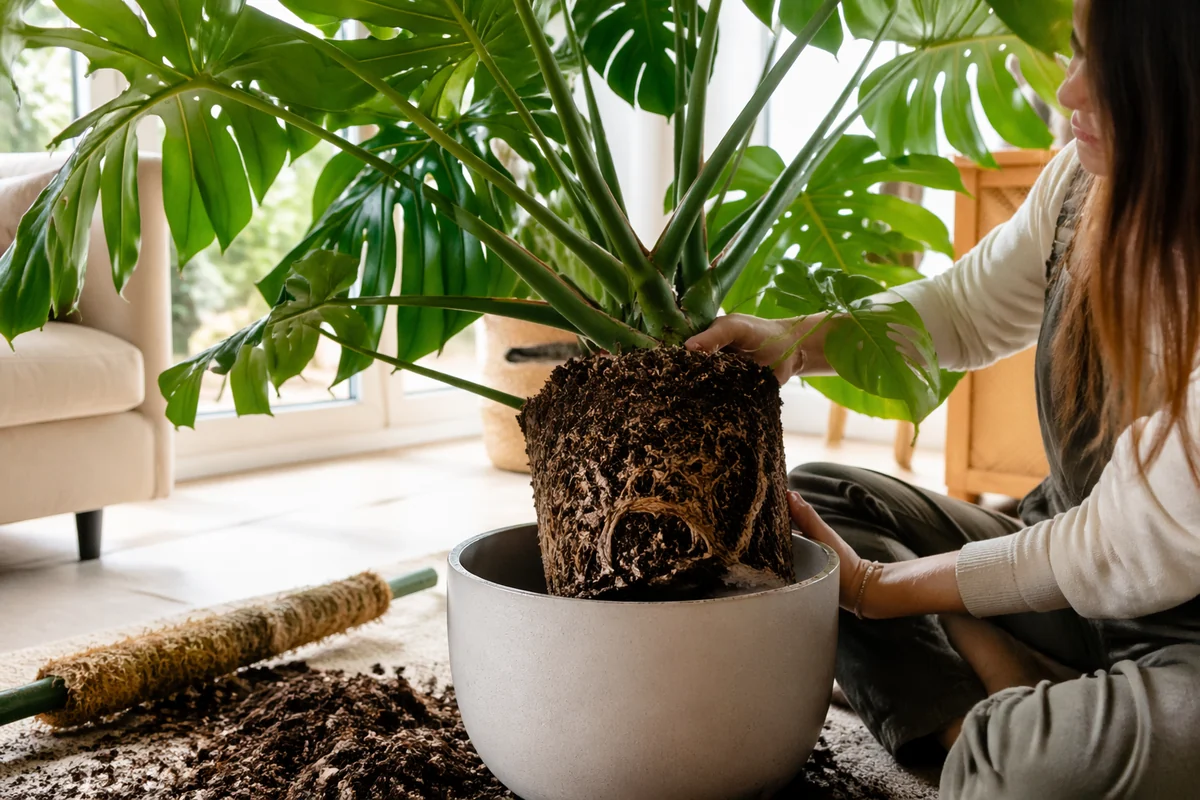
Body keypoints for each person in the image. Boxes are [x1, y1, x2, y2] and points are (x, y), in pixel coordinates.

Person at [687, 1, 1200, 797]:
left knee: (1037, 771)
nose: (1069, 92)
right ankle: (986, 717)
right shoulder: (1079, 187)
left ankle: (991, 715)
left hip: (1184, 638)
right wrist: (796, 340)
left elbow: (1117, 543)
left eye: (1111, 73)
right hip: (1067, 572)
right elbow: (962, 310)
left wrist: (882, 592)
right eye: (1074, 53)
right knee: (822, 501)